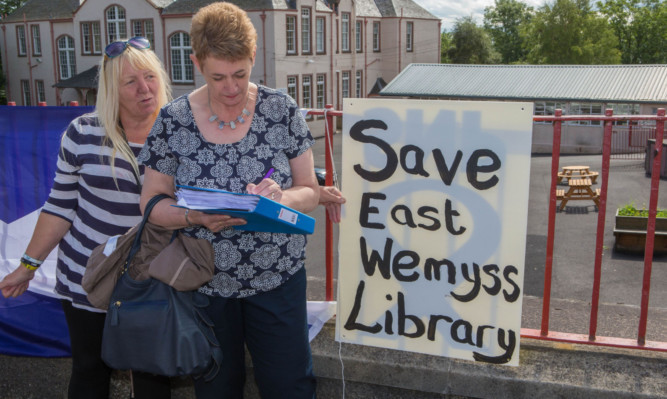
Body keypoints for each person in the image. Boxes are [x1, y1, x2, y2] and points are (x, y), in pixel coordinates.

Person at [137, 3, 324, 398]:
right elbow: (151, 204)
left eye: (240, 73)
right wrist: (193, 217)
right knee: (216, 389)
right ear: (196, 63)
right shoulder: (173, 121)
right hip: (204, 283)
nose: (231, 88)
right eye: (217, 76)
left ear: (253, 57)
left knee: (289, 386)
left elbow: (309, 190)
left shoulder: (280, 110)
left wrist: (281, 196)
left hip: (277, 277)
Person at [0, 37, 173, 399]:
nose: (145, 89)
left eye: (150, 76)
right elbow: (60, 207)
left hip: (153, 278)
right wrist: (27, 266)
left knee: (152, 375)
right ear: (112, 89)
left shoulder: (181, 135)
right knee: (89, 368)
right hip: (86, 277)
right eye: (130, 82)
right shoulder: (82, 133)